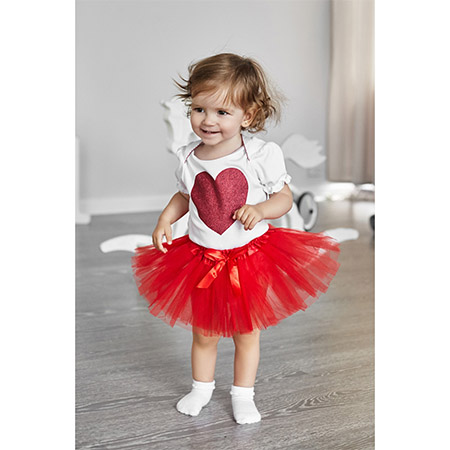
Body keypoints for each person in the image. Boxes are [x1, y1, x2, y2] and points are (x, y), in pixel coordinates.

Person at [132, 53, 340, 425]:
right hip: (202, 257)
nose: (207, 120)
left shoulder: (260, 155)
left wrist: (260, 210)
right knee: (204, 332)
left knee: (247, 333)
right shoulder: (188, 157)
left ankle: (243, 394)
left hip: (249, 257)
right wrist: (165, 219)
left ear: (248, 115)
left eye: (222, 112)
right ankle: (201, 388)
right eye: (199, 109)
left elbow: (283, 197)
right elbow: (186, 195)